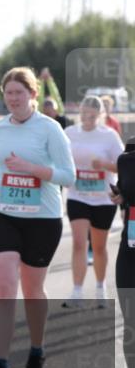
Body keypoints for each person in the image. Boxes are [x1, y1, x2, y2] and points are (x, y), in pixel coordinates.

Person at [0, 67, 76, 368]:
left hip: (42, 219)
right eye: (8, 93)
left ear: (33, 94)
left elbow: (69, 176)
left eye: (19, 93)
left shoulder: (50, 129)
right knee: (5, 285)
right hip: (3, 214)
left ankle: (36, 350)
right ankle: (1, 364)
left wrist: (33, 169)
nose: (13, 99)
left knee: (32, 290)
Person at [62, 96, 124, 309]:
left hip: (103, 198)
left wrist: (104, 164)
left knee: (99, 246)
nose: (87, 118)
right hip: (77, 195)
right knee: (79, 243)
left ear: (100, 115)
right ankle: (77, 291)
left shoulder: (109, 136)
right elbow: (59, 159)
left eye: (91, 115)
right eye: (83, 113)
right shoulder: (70, 134)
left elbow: (122, 165)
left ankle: (100, 288)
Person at [109, 137, 135, 368]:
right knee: (131, 319)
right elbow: (126, 200)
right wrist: (121, 197)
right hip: (131, 246)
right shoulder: (127, 157)